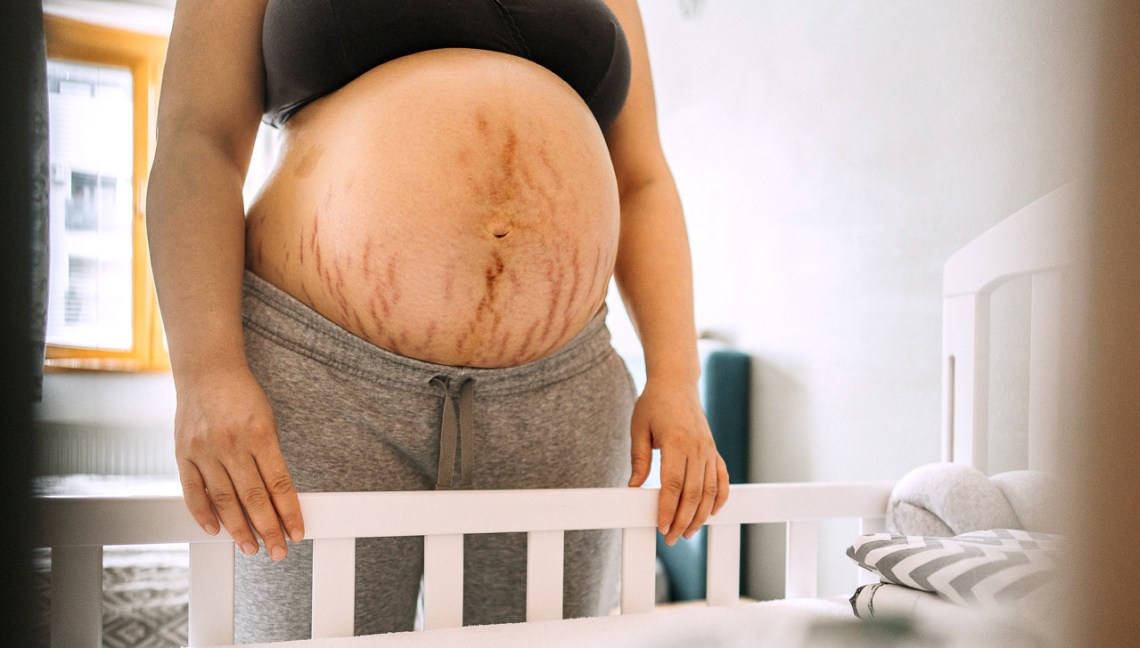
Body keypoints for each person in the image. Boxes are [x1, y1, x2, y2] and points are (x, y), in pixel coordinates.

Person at [146, 0, 730, 639]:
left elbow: (641, 179)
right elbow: (195, 138)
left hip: (562, 391)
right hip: (321, 377)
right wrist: (207, 373)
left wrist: (675, 377)